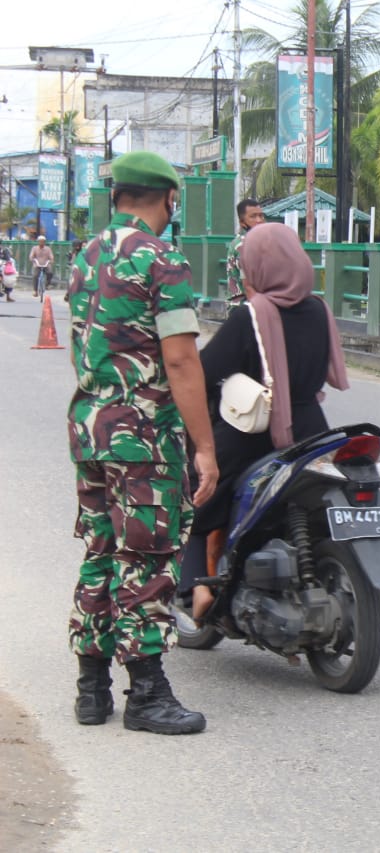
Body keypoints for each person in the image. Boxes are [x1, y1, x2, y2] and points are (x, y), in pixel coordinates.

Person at [66, 150, 218, 735]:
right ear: (169, 198)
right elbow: (180, 360)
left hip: (89, 429)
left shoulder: (85, 256)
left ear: (117, 195)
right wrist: (205, 447)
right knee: (147, 559)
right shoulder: (162, 260)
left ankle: (91, 690)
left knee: (102, 552)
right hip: (142, 438)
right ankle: (148, 694)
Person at [188, 222, 350, 619]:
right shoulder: (319, 310)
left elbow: (205, 373)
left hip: (256, 433)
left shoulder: (251, 315)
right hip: (311, 430)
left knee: (196, 491)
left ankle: (196, 587)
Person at [225, 197, 267, 302]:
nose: (259, 220)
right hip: (244, 305)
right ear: (242, 222)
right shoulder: (243, 245)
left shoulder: (259, 241)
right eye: (253, 216)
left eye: (261, 216)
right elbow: (248, 287)